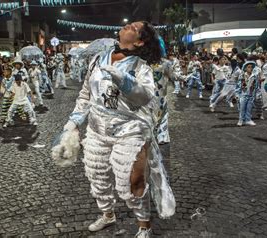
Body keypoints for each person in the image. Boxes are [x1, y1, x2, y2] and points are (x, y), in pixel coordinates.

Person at [51, 21, 175, 238]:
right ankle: (108, 215)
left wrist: (123, 79)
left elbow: (145, 96)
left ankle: (144, 226)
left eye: (134, 28)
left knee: (133, 179)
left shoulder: (141, 67)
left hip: (130, 129)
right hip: (98, 129)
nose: (127, 26)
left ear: (139, 41)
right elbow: (85, 95)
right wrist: (70, 125)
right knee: (97, 176)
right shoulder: (98, 59)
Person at [237, 61, 260, 126]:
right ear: (245, 68)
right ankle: (241, 120)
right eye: (249, 67)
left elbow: (256, 86)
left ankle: (248, 119)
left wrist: (257, 93)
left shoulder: (254, 76)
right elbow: (238, 85)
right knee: (242, 108)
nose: (251, 68)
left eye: (251, 67)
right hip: (243, 94)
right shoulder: (242, 75)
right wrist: (237, 94)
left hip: (251, 94)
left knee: (249, 108)